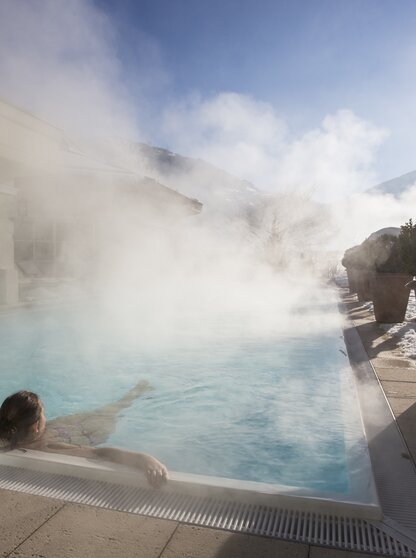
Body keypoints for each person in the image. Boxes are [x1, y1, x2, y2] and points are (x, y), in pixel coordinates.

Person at [0, 384, 168, 488]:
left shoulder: (6, 434)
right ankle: (137, 391)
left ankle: (136, 391)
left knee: (107, 410)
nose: (44, 414)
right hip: (87, 433)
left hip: (59, 427)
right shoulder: (49, 447)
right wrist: (143, 458)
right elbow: (100, 453)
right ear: (36, 426)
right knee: (113, 410)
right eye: (43, 413)